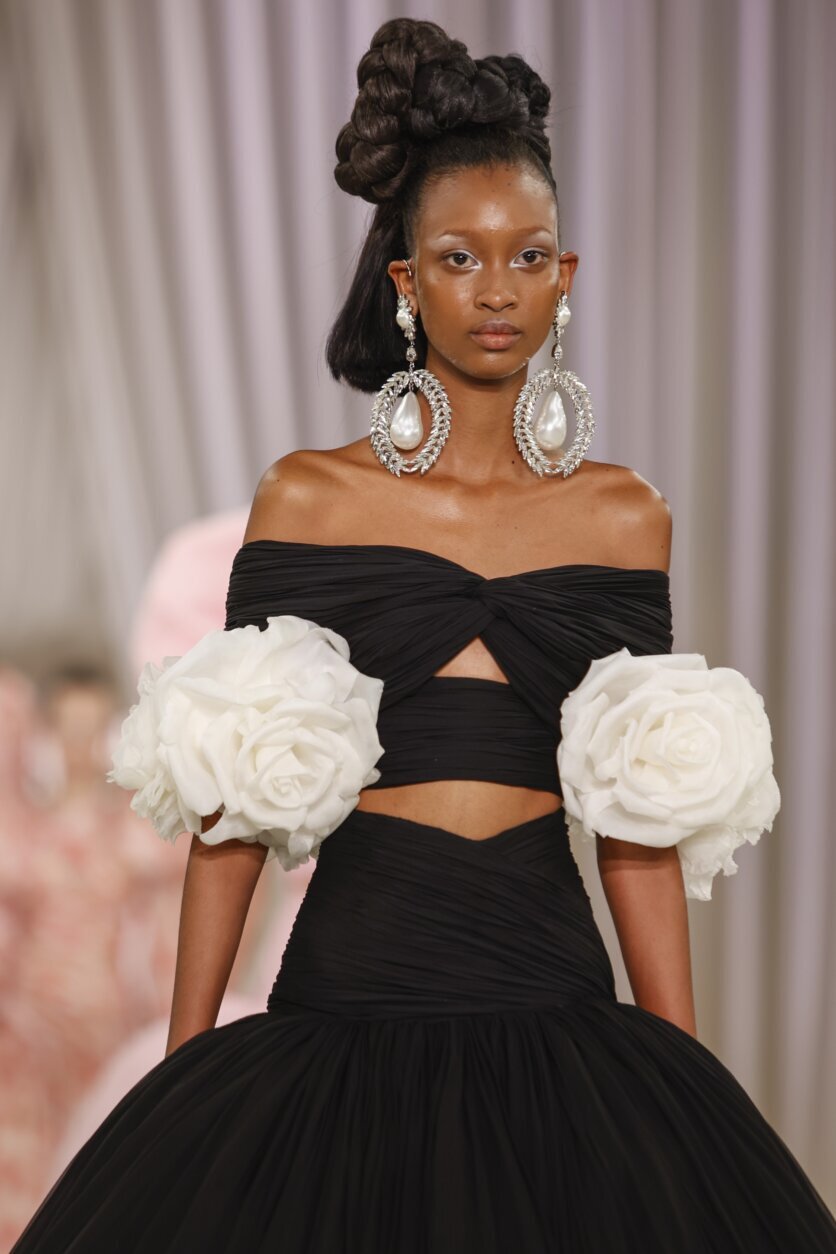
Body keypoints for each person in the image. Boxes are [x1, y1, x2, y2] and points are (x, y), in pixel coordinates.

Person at [12, 17, 836, 1253]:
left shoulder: (623, 518)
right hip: (344, 1001)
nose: (496, 288)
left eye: (526, 256)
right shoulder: (307, 499)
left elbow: (637, 818)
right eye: (459, 257)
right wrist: (185, 1074)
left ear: (564, 276)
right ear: (408, 283)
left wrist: (684, 1086)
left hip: (552, 1000)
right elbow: (234, 806)